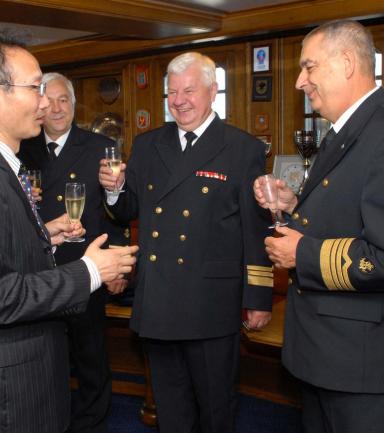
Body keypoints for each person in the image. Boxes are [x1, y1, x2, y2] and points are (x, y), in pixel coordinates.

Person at [0, 30, 138, 433]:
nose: (45, 103)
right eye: (35, 88)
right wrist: (90, 271)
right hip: (7, 389)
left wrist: (43, 235)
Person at [253, 20, 384, 433]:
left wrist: (301, 254)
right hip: (327, 351)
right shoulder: (347, 131)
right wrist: (293, 204)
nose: (300, 81)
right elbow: (349, 213)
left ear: (348, 63)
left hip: (363, 361)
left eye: (309, 67)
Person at [99, 51, 273, 433]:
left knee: (215, 408)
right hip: (159, 300)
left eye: (188, 91)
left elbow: (255, 228)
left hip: (210, 302)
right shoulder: (147, 144)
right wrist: (114, 190)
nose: (178, 101)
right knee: (170, 408)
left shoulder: (242, 148)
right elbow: (127, 210)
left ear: (212, 91)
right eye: (172, 92)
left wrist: (258, 297)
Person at [18, 72, 128, 433]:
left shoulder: (99, 147)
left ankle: (91, 422)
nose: (56, 108)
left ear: (74, 105)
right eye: (48, 101)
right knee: (45, 358)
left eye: (63, 100)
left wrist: (117, 266)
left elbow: (117, 215)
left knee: (90, 356)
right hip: (38, 272)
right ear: (38, 105)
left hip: (87, 269)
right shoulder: (22, 147)